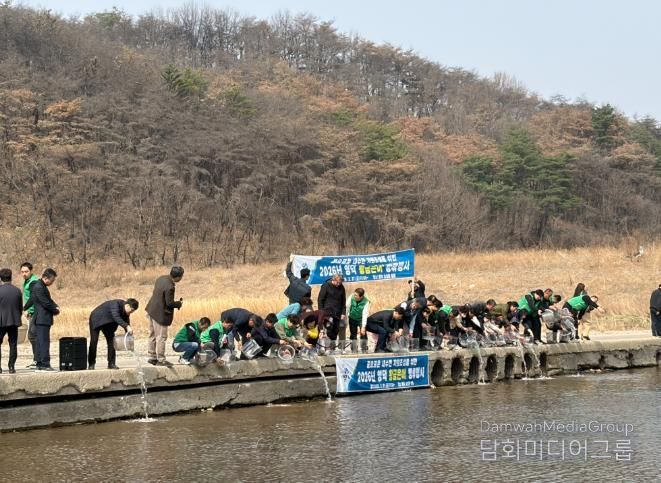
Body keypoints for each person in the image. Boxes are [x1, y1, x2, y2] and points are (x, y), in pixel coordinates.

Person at [145, 266, 184, 367]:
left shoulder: (161, 278)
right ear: (178, 277)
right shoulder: (170, 286)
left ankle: (152, 357)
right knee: (161, 337)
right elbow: (169, 303)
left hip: (151, 310)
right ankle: (161, 360)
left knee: (152, 335)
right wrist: (178, 304)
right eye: (181, 276)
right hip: (160, 314)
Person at [23, 268, 59, 371]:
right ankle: (45, 364)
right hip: (42, 318)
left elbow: (33, 300)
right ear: (46, 278)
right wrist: (55, 310)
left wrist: (24, 308)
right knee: (44, 342)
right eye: (52, 280)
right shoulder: (39, 287)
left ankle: (39, 363)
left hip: (40, 318)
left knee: (40, 341)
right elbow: (45, 303)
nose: (52, 282)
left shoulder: (39, 286)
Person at [88, 298, 139, 370]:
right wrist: (127, 326)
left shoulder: (126, 312)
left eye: (133, 311)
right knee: (94, 341)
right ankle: (91, 364)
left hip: (108, 323)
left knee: (112, 341)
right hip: (96, 319)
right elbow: (116, 317)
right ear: (127, 306)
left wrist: (128, 335)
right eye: (132, 310)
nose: (131, 312)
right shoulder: (115, 304)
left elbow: (126, 322)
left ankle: (111, 364)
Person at [0, 268, 23, 374]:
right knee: (13, 344)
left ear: (1, 278)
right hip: (14, 321)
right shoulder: (17, 291)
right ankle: (11, 367)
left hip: (1, 321)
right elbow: (20, 308)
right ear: (11, 277)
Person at [317, 274, 347, 352]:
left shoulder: (341, 287)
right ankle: (325, 347)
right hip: (327, 311)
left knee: (335, 330)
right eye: (338, 282)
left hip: (338, 312)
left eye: (340, 283)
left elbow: (343, 301)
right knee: (328, 329)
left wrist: (343, 312)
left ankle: (332, 348)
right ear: (333, 280)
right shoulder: (326, 286)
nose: (338, 284)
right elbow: (320, 299)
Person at [19, 262, 40, 368]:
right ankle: (37, 359)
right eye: (22, 272)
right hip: (32, 312)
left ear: (31, 271)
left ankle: (38, 360)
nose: (24, 274)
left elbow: (33, 298)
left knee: (33, 336)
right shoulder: (27, 281)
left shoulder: (33, 281)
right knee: (33, 336)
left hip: (36, 312)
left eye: (26, 271)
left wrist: (28, 310)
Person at [346, 288, 370, 353]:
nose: (354, 296)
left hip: (361, 319)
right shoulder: (351, 297)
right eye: (354, 294)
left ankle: (364, 349)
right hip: (352, 318)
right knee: (353, 334)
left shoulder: (366, 302)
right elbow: (347, 307)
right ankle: (354, 349)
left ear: (361, 297)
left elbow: (365, 314)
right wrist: (346, 317)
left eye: (356, 295)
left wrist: (363, 327)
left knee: (363, 333)